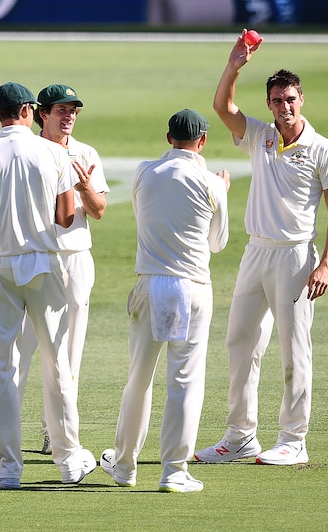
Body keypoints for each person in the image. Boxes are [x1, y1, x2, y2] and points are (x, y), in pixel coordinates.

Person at [194, 30, 328, 466]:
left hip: (297, 256)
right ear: (269, 104)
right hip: (255, 252)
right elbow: (222, 108)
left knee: (294, 348)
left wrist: (327, 264)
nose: (285, 106)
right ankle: (241, 437)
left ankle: (294, 440)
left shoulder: (322, 148)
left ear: (303, 99)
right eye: (277, 100)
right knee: (240, 342)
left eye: (291, 99)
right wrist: (233, 66)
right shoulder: (259, 136)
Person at [0, 82, 96, 489]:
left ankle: (9, 468)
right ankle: (69, 461)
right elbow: (67, 217)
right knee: (58, 365)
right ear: (30, 110)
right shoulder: (54, 152)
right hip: (43, 263)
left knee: (2, 369)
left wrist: (4, 214)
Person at [100, 109, 230, 493]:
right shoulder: (211, 182)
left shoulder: (144, 171)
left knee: (139, 379)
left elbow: (146, 214)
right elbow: (217, 243)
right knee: (185, 381)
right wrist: (219, 189)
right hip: (192, 286)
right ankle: (174, 471)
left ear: (169, 138)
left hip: (150, 284)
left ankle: (124, 467)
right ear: (202, 141)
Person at [0, 84, 110, 456]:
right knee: (16, 349)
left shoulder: (85, 153)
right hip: (34, 256)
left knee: (65, 351)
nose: (70, 116)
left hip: (74, 257)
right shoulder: (30, 150)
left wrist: (84, 186)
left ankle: (54, 432)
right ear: (41, 113)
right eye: (61, 110)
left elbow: (98, 210)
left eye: (74, 110)